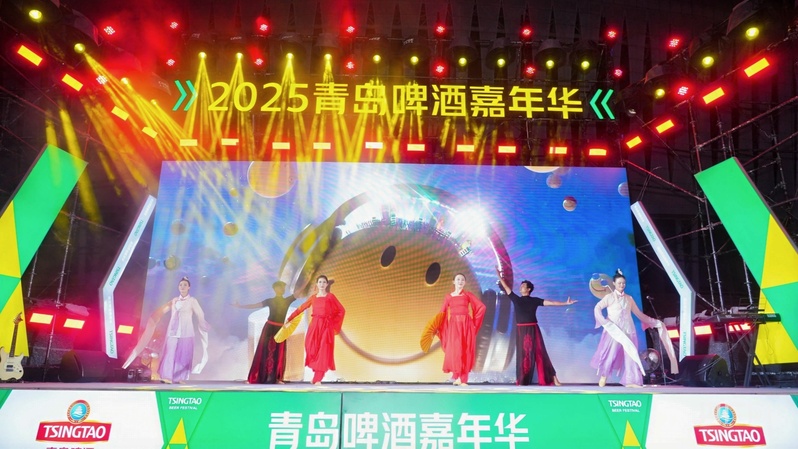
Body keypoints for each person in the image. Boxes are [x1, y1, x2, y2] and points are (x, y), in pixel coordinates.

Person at [496, 268, 576, 386]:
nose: (520, 287)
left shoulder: (534, 300)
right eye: (521, 286)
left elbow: (550, 302)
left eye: (523, 286)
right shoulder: (516, 299)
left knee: (541, 353)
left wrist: (565, 303)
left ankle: (553, 377)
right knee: (523, 355)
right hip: (521, 330)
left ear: (528, 289)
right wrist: (499, 276)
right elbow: (506, 288)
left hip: (533, 329)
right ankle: (523, 380)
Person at [590, 269, 661, 387]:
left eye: (623, 283)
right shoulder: (609, 297)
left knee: (631, 355)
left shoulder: (629, 298)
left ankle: (631, 381)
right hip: (615, 331)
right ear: (614, 283)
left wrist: (654, 322)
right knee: (611, 355)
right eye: (619, 283)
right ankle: (604, 376)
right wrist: (603, 321)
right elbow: (597, 307)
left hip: (628, 330)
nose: (622, 285)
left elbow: (639, 314)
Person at [285, 275, 345, 385]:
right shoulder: (313, 298)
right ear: (317, 284)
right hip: (315, 326)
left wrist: (332, 323)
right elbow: (301, 308)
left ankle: (318, 378)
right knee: (311, 347)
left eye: (324, 282)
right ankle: (316, 376)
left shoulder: (330, 297)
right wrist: (290, 318)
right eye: (320, 282)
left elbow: (341, 310)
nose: (322, 284)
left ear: (326, 284)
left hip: (326, 327)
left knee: (323, 351)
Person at [234, 281, 296, 384]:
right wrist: (240, 306)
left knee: (279, 353)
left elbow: (298, 293)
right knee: (264, 352)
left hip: (280, 329)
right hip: (269, 328)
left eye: (283, 288)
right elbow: (254, 305)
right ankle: (258, 376)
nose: (282, 289)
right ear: (275, 289)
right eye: (279, 287)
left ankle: (277, 378)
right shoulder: (270, 301)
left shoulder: (287, 300)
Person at [158, 277, 210, 383]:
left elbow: (200, 313)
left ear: (189, 287)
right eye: (181, 285)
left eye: (185, 285)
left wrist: (203, 323)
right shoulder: (174, 300)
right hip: (173, 331)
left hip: (186, 332)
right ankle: (167, 376)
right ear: (178, 287)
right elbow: (166, 311)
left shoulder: (192, 301)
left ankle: (180, 378)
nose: (182, 287)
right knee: (169, 353)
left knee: (184, 356)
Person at [438, 273, 486, 386]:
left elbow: (481, 307)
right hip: (454, 326)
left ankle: (463, 379)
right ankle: (457, 376)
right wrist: (438, 325)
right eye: (458, 279)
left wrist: (474, 324)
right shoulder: (449, 297)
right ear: (453, 282)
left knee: (465, 349)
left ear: (465, 282)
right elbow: (442, 312)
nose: (460, 281)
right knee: (456, 350)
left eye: (462, 280)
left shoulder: (467, 295)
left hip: (466, 325)